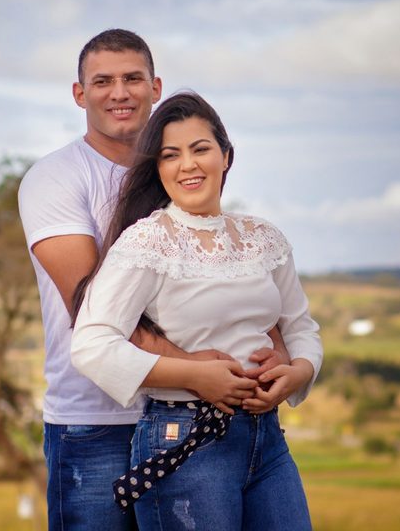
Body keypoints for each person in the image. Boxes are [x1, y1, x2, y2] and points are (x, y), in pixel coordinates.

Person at [18, 29, 289, 531]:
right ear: (79, 93)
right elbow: (88, 304)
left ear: (155, 87)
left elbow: (229, 279)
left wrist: (275, 354)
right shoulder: (55, 178)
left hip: (193, 420)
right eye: (103, 81)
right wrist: (197, 374)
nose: (119, 93)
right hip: (96, 422)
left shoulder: (180, 172)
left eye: (133, 78)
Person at [70, 92, 322, 531]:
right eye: (171, 155)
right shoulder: (147, 241)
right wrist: (194, 375)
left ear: (226, 156)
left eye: (200, 149)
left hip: (267, 440)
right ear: (158, 168)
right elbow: (91, 344)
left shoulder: (263, 237)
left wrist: (298, 372)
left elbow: (301, 328)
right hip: (184, 437)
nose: (187, 165)